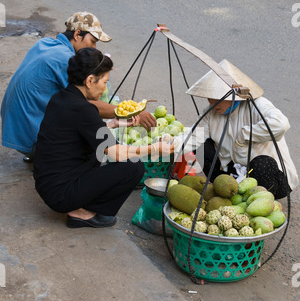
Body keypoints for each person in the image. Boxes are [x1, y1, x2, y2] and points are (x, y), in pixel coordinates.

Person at [33, 47, 174, 228]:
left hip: (48, 185)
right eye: (105, 82)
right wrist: (154, 149)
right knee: (133, 167)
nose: (105, 88)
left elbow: (78, 135)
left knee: (99, 151)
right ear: (90, 80)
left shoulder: (61, 98)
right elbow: (117, 153)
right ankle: (82, 213)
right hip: (61, 194)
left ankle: (80, 205)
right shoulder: (83, 109)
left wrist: (113, 124)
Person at [1, 11, 156, 163]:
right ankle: (40, 153)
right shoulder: (66, 60)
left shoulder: (44, 43)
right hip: (33, 138)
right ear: (77, 35)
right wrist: (132, 112)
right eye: (92, 41)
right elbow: (86, 105)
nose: (94, 48)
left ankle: (34, 152)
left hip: (15, 130)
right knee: (91, 135)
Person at [182, 59, 298, 200]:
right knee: (200, 146)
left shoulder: (257, 105)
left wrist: (245, 135)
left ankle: (262, 200)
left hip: (270, 176)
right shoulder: (211, 112)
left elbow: (281, 124)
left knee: (262, 164)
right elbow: (194, 136)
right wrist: (165, 146)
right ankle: (223, 189)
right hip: (236, 174)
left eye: (216, 98)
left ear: (232, 94)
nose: (212, 103)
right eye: (209, 98)